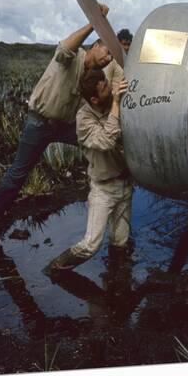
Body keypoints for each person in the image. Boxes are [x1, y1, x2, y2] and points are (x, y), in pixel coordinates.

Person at [0, 4, 112, 220]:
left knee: (101, 144)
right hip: (39, 123)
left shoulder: (95, 74)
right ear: (95, 45)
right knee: (19, 172)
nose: (109, 59)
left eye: (112, 56)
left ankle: (108, 194)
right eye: (107, 52)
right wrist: (95, 22)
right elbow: (65, 48)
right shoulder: (72, 57)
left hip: (65, 127)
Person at [44, 69, 132, 273]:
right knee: (91, 245)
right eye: (104, 88)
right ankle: (54, 269)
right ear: (93, 98)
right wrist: (117, 104)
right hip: (103, 190)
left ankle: (117, 285)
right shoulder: (83, 119)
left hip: (125, 184)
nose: (109, 88)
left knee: (121, 242)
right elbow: (107, 140)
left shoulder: (111, 99)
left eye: (107, 82)